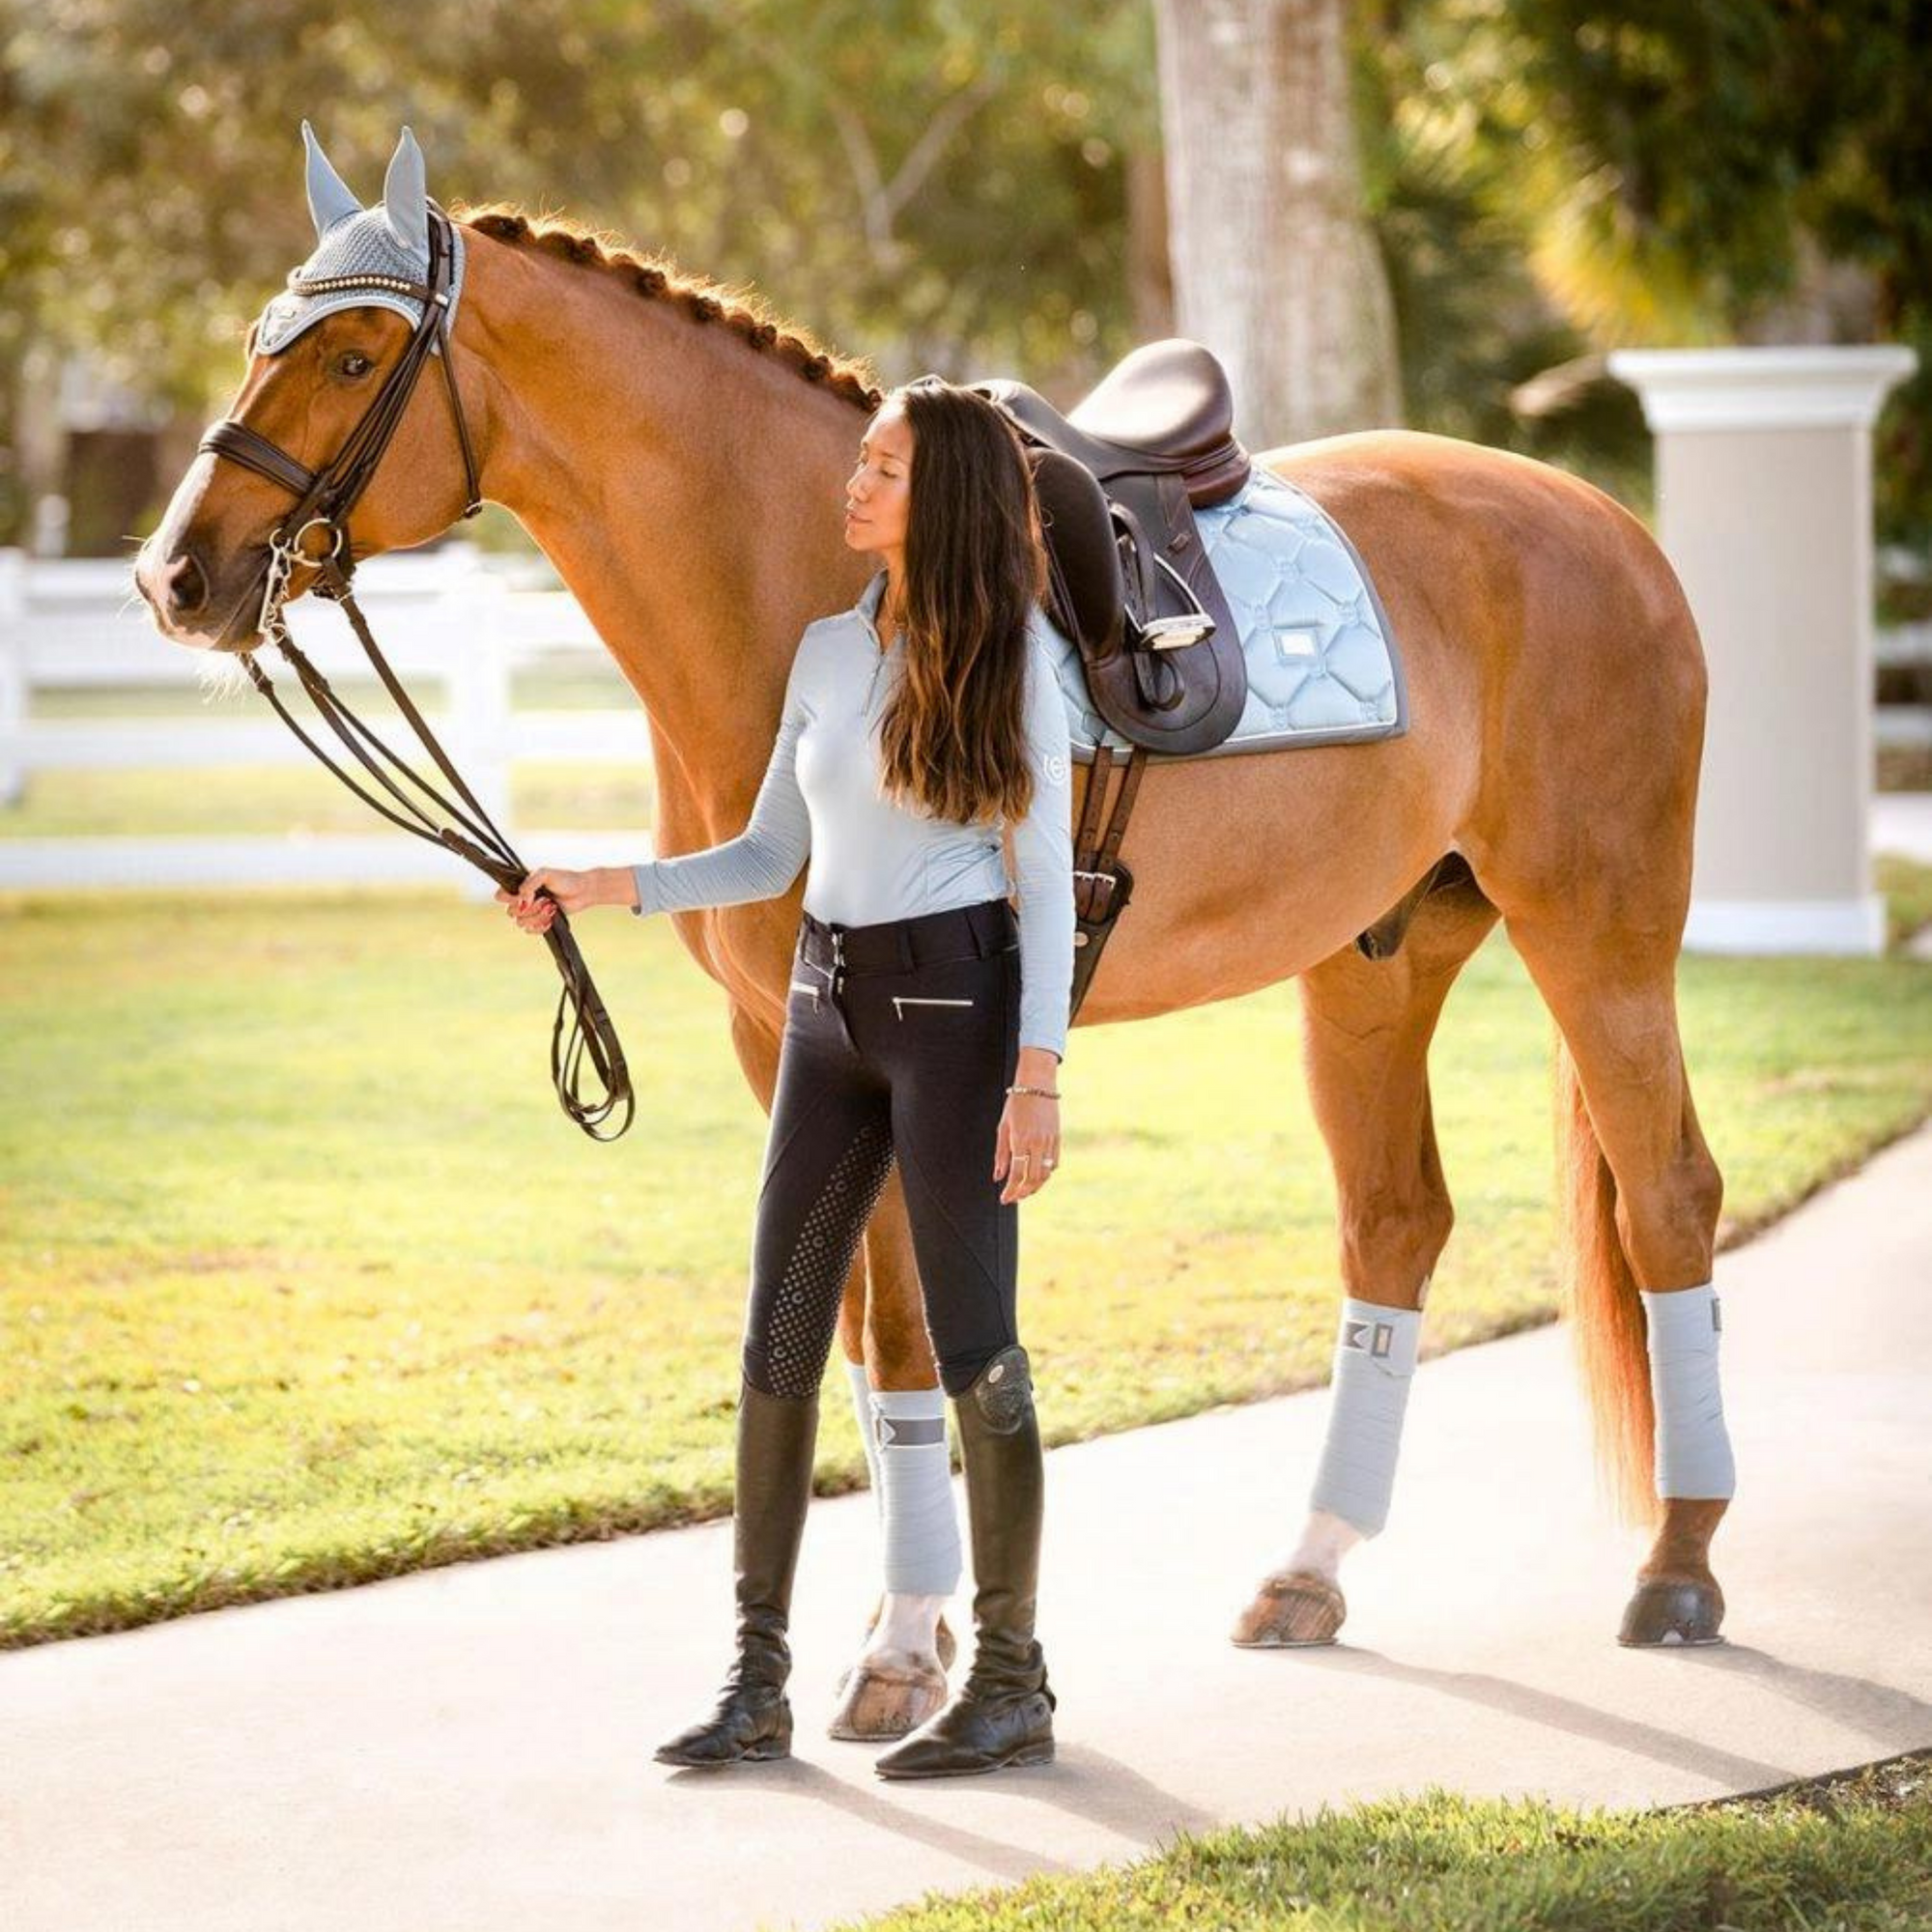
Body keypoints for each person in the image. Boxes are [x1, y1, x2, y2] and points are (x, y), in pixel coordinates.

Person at [497, 377, 1075, 1779]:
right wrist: (601, 883)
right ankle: (756, 1678)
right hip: (826, 1009)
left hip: (954, 1013)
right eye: (861, 463)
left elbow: (1044, 878)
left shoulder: (1012, 660)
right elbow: (766, 856)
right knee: (778, 1337)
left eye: (882, 470)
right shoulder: (825, 650)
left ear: (939, 500)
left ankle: (1010, 1681)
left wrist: (1037, 1073)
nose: (855, 484)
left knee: (980, 1340)